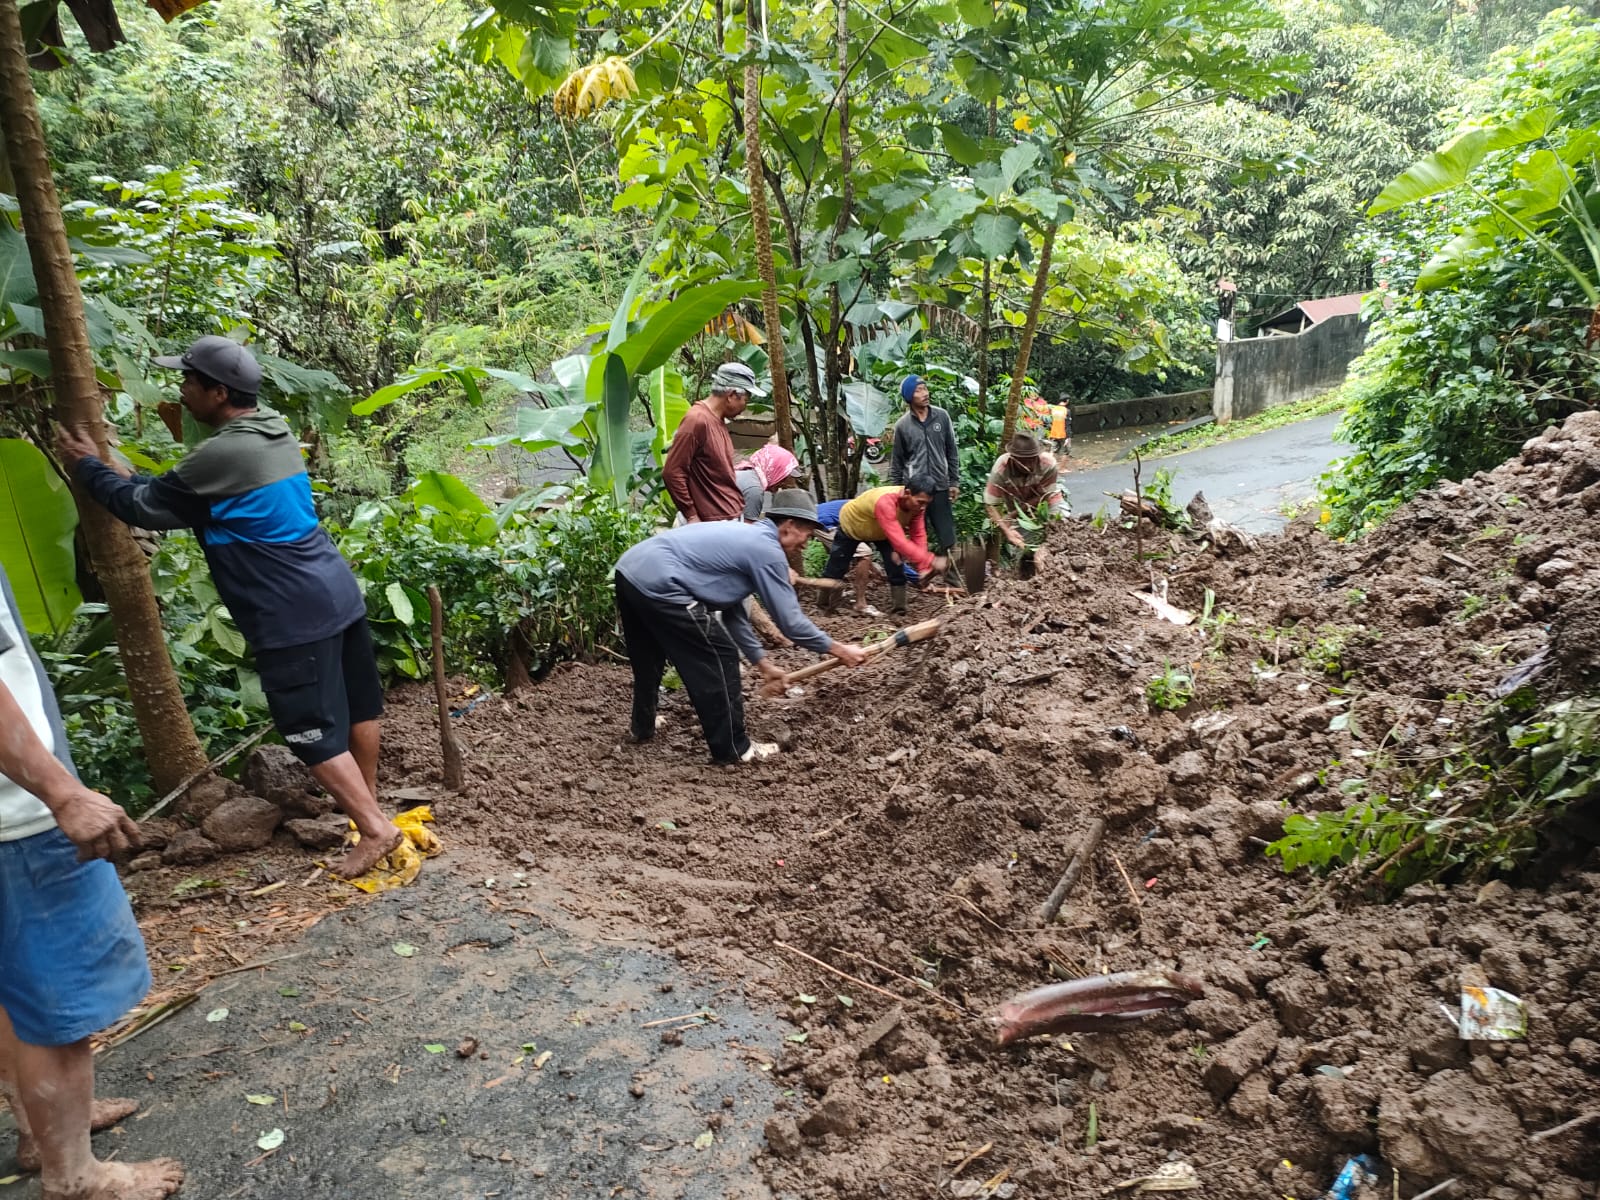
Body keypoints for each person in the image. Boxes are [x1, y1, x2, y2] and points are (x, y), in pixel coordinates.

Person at [55, 336, 403, 880]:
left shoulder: (221, 453)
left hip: (288, 610)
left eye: (189, 381)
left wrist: (87, 466)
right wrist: (124, 475)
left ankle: (375, 828)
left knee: (307, 728)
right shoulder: (270, 429)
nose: (181, 388)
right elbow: (180, 496)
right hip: (333, 590)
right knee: (360, 705)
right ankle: (367, 806)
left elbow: (141, 508)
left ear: (218, 392)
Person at [0, 563, 185, 1200]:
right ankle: (74, 1176)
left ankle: (38, 1128)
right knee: (60, 1001)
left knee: (13, 981)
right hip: (16, 816)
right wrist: (60, 792)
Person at [614, 492, 866, 764]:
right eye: (807, 533)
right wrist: (840, 650)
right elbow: (792, 624)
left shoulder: (749, 539)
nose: (807, 542)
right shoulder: (767, 551)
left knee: (648, 657)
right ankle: (735, 749)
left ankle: (642, 726)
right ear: (789, 526)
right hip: (663, 583)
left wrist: (764, 665)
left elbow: (733, 611)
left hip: (630, 572)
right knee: (720, 658)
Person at [820, 478, 949, 615]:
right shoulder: (885, 501)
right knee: (837, 567)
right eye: (920, 502)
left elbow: (918, 535)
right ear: (907, 493)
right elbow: (899, 541)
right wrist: (931, 560)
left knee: (896, 566)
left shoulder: (917, 508)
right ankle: (823, 604)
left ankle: (899, 610)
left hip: (882, 532)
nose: (923, 507)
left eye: (926, 504)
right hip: (853, 527)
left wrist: (923, 567)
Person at [663, 362, 764, 524]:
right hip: (708, 523)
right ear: (731, 395)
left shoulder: (718, 420)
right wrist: (691, 515)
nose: (745, 406)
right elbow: (672, 471)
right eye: (746, 399)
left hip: (725, 519)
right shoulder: (697, 420)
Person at [886, 375, 960, 560]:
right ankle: (920, 575)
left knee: (948, 535)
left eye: (925, 389)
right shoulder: (902, 426)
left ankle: (953, 578)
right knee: (918, 535)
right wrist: (895, 490)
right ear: (909, 397)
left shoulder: (941, 417)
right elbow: (897, 461)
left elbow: (951, 450)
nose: (925, 394)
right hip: (915, 491)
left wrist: (954, 481)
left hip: (940, 486)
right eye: (918, 390)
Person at [984, 432, 1068, 577]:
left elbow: (1044, 496)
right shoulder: (1001, 469)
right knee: (1024, 550)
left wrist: (1011, 515)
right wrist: (1007, 530)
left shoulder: (1048, 464)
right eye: (1025, 461)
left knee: (1062, 529)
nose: (1030, 465)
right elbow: (990, 504)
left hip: (1047, 502)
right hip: (1019, 511)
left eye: (1033, 459)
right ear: (1014, 459)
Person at [734, 443, 802, 522]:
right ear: (773, 469)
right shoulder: (754, 490)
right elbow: (747, 529)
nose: (784, 483)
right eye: (783, 477)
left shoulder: (744, 474)